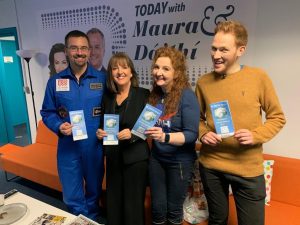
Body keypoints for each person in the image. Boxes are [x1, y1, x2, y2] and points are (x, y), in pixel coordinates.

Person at [195, 20, 286, 225]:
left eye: (223, 50)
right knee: (217, 221)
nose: (216, 55)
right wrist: (203, 133)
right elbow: (199, 120)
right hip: (211, 166)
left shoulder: (258, 77)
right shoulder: (203, 83)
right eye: (214, 48)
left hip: (247, 168)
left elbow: (278, 117)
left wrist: (255, 135)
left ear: (240, 50)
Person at [40, 30, 106, 221]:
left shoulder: (102, 80)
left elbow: (112, 110)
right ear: (67, 51)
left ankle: (90, 220)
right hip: (68, 148)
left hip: (94, 148)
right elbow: (47, 112)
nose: (80, 52)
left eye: (84, 48)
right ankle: (79, 220)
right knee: (71, 197)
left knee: (94, 195)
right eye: (74, 48)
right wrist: (59, 126)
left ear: (89, 51)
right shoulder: (55, 82)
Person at [145, 46, 200, 225]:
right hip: (157, 159)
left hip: (180, 162)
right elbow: (145, 125)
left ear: (176, 73)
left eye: (165, 69)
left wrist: (165, 137)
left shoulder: (187, 96)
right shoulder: (154, 95)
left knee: (174, 210)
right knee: (157, 208)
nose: (158, 72)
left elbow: (192, 135)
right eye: (156, 67)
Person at [96, 52, 150, 225]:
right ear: (111, 73)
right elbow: (103, 124)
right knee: (114, 202)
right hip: (113, 158)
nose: (120, 71)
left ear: (131, 72)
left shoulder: (143, 95)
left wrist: (133, 134)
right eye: (115, 68)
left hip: (135, 159)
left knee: (133, 206)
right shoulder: (107, 97)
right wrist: (100, 133)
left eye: (124, 67)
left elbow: (149, 125)